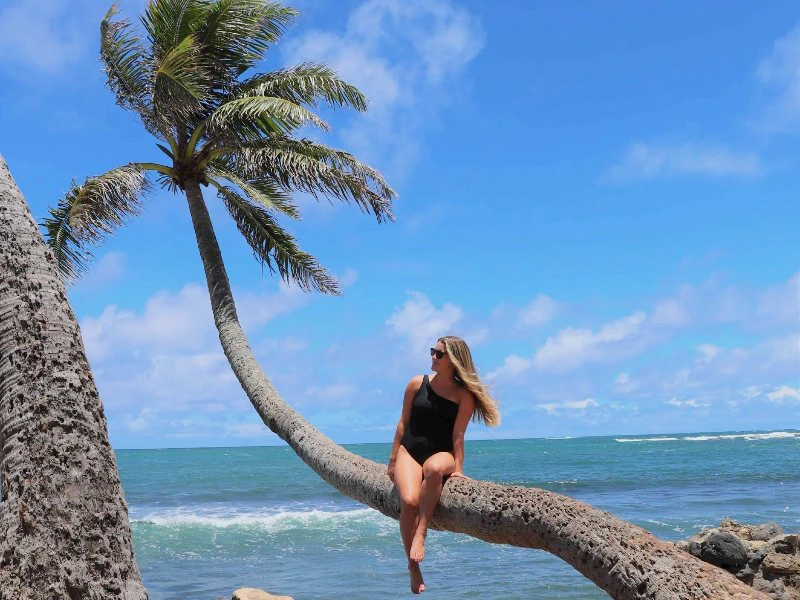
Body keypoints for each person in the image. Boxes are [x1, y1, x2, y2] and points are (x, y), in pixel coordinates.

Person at [387, 335, 500, 594]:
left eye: (439, 354)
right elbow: (403, 423)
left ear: (454, 361)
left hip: (442, 453)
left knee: (435, 469)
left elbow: (458, 435)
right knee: (410, 501)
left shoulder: (464, 396)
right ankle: (413, 568)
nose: (433, 357)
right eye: (433, 352)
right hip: (410, 451)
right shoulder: (416, 384)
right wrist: (393, 459)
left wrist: (458, 469)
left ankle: (422, 533)